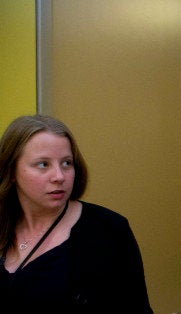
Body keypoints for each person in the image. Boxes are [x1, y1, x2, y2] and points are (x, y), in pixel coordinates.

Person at [0, 115, 153, 313]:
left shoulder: (108, 230)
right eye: (43, 164)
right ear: (11, 171)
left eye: (66, 163)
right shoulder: (5, 222)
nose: (59, 176)